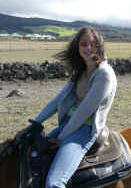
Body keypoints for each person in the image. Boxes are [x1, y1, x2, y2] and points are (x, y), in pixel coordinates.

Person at [33, 26, 117, 188]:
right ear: (77, 47)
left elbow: (84, 112)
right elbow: (57, 101)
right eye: (83, 44)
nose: (88, 48)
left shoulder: (104, 74)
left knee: (54, 183)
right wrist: (36, 123)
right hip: (68, 124)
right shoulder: (79, 71)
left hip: (85, 129)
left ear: (99, 46)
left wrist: (62, 137)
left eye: (92, 44)